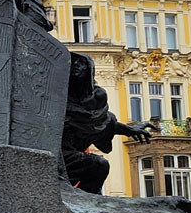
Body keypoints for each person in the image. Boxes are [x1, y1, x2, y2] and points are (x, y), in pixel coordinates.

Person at [61, 52, 154, 193]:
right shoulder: (59, 94)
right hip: (56, 153)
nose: (75, 66)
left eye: (81, 63)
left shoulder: (97, 97)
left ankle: (85, 202)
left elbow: (103, 122)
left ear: (89, 69)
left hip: (70, 156)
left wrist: (130, 130)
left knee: (100, 165)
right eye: (73, 62)